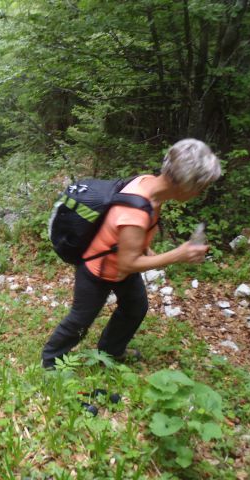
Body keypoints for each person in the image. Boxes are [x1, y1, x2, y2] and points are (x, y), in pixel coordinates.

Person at [42, 138, 222, 368]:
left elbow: (125, 234)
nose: (200, 193)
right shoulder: (135, 211)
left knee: (135, 307)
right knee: (80, 320)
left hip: (118, 263)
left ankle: (110, 351)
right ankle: (50, 361)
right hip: (97, 270)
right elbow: (128, 263)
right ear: (185, 184)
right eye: (200, 187)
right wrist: (178, 255)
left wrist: (144, 246)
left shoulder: (147, 183)